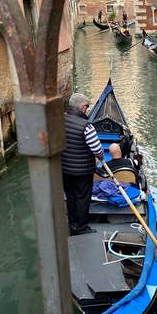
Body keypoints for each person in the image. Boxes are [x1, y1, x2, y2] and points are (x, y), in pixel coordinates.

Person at [61, 93, 104, 236]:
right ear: (80, 107)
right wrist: (101, 158)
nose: (87, 109)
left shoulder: (59, 120)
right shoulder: (86, 126)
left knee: (70, 197)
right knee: (82, 198)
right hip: (82, 171)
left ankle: (72, 224)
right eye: (86, 106)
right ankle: (81, 227)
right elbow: (97, 150)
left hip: (64, 169)